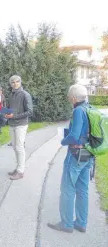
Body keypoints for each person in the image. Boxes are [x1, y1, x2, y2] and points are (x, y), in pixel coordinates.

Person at [48, 85, 93, 233]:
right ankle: (82, 223)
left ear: (73, 98)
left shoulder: (78, 111)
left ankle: (66, 224)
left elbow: (74, 136)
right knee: (83, 189)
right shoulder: (90, 108)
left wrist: (61, 141)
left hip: (75, 155)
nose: (69, 101)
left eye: (69, 98)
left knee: (68, 189)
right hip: (88, 154)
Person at [5, 75, 33, 180]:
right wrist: (5, 113)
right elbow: (9, 109)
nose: (15, 83)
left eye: (17, 81)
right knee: (14, 147)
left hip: (21, 124)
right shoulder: (10, 95)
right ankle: (17, 168)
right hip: (12, 124)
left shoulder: (25, 95)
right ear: (10, 84)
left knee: (20, 147)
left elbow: (30, 111)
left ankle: (21, 171)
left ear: (20, 82)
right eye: (12, 82)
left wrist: (14, 116)